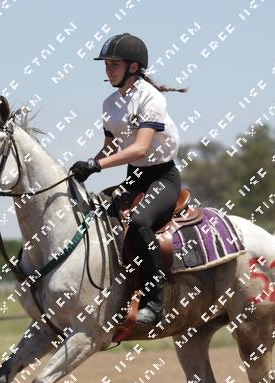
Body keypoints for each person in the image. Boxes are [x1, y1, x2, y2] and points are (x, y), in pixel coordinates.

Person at [70, 33, 187, 326]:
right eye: (106, 65)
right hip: (134, 177)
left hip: (162, 177)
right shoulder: (109, 103)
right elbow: (111, 147)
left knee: (137, 223)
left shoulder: (151, 97)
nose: (108, 70)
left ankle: (155, 302)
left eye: (114, 64)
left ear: (133, 67)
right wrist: (87, 165)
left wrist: (96, 165)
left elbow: (140, 148)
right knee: (97, 219)